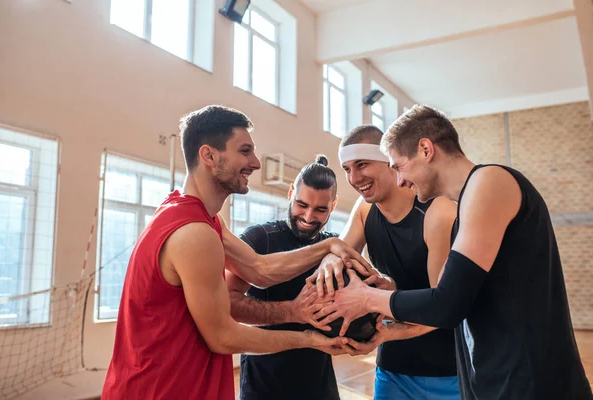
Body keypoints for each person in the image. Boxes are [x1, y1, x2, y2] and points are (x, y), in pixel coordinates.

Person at [313, 105, 593, 399]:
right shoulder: (467, 207)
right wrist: (389, 318)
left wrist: (367, 298)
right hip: (492, 380)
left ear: (425, 149)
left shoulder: (490, 181)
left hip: (533, 384)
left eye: (398, 166)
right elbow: (458, 300)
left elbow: (446, 303)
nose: (400, 181)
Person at [102, 105, 370, 400]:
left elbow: (259, 270)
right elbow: (224, 337)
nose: (255, 162)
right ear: (209, 155)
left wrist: (328, 246)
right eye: (245, 151)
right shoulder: (194, 233)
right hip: (161, 389)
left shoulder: (203, 218)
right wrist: (307, 338)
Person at [309, 125, 459, 400]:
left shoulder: (438, 211)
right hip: (392, 370)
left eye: (362, 164)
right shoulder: (366, 209)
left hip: (447, 372)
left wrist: (384, 332)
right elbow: (340, 250)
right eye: (347, 169)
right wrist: (330, 259)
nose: (354, 178)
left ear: (389, 160)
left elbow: (444, 307)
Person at [226, 155, 342, 400]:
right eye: (302, 204)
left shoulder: (334, 247)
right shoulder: (260, 239)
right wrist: (291, 311)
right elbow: (228, 302)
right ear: (290, 193)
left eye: (320, 209)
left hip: (319, 383)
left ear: (333, 205)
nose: (309, 217)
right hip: (264, 384)